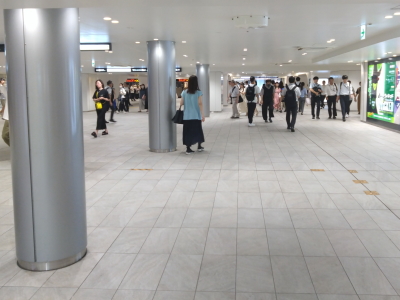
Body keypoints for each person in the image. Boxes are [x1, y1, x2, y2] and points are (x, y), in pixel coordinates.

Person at [180, 75, 205, 154]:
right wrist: (203, 115)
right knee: (198, 131)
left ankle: (188, 148)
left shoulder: (184, 92)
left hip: (187, 116)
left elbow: (181, 102)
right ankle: (199, 146)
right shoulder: (198, 92)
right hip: (196, 116)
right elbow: (200, 103)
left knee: (187, 132)